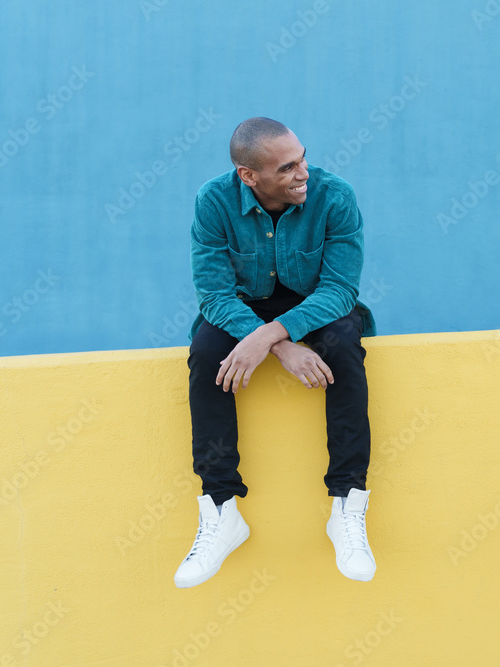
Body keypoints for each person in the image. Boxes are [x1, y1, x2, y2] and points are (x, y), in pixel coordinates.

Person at [174, 117, 377, 586]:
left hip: (318, 304)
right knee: (207, 352)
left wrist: (270, 338)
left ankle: (347, 503)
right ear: (250, 176)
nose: (303, 173)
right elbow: (214, 295)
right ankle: (221, 509)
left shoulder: (335, 195)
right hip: (242, 307)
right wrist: (282, 346)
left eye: (303, 158)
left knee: (344, 344)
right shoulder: (214, 202)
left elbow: (340, 288)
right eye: (287, 168)